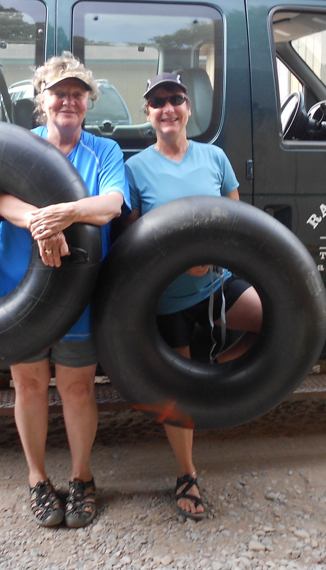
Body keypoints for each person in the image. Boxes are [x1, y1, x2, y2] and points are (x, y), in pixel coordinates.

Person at [0, 52, 129, 528]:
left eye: (77, 93)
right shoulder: (19, 144)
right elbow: (4, 199)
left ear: (88, 102)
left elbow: (111, 204)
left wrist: (63, 215)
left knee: (76, 387)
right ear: (41, 100)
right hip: (19, 283)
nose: (68, 101)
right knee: (28, 384)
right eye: (58, 92)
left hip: (80, 287)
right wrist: (38, 223)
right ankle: (36, 479)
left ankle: (82, 478)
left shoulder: (104, 151)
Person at [123, 72, 263, 520]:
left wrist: (207, 260)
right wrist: (183, 263)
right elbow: (133, 244)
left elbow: (236, 221)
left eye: (175, 99)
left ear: (188, 108)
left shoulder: (214, 158)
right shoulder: (135, 168)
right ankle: (187, 473)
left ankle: (213, 371)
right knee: (177, 386)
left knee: (270, 317)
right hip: (167, 298)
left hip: (217, 285)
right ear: (147, 114)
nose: (168, 108)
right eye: (158, 102)